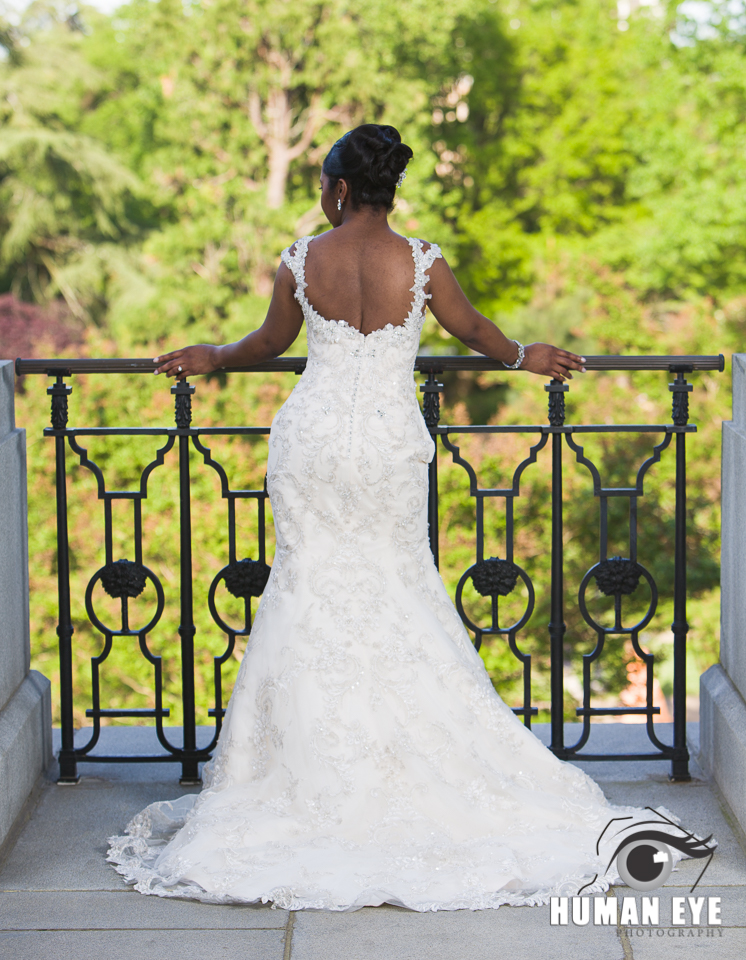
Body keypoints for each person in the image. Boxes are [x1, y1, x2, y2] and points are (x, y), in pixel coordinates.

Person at [107, 124, 693, 911]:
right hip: (386, 445)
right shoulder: (421, 260)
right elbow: (475, 332)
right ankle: (403, 760)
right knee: (398, 589)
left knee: (307, 592)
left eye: (323, 182)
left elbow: (270, 342)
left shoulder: (302, 258)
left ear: (341, 189)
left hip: (311, 442)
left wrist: (211, 353)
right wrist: (528, 356)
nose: (320, 194)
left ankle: (303, 777)